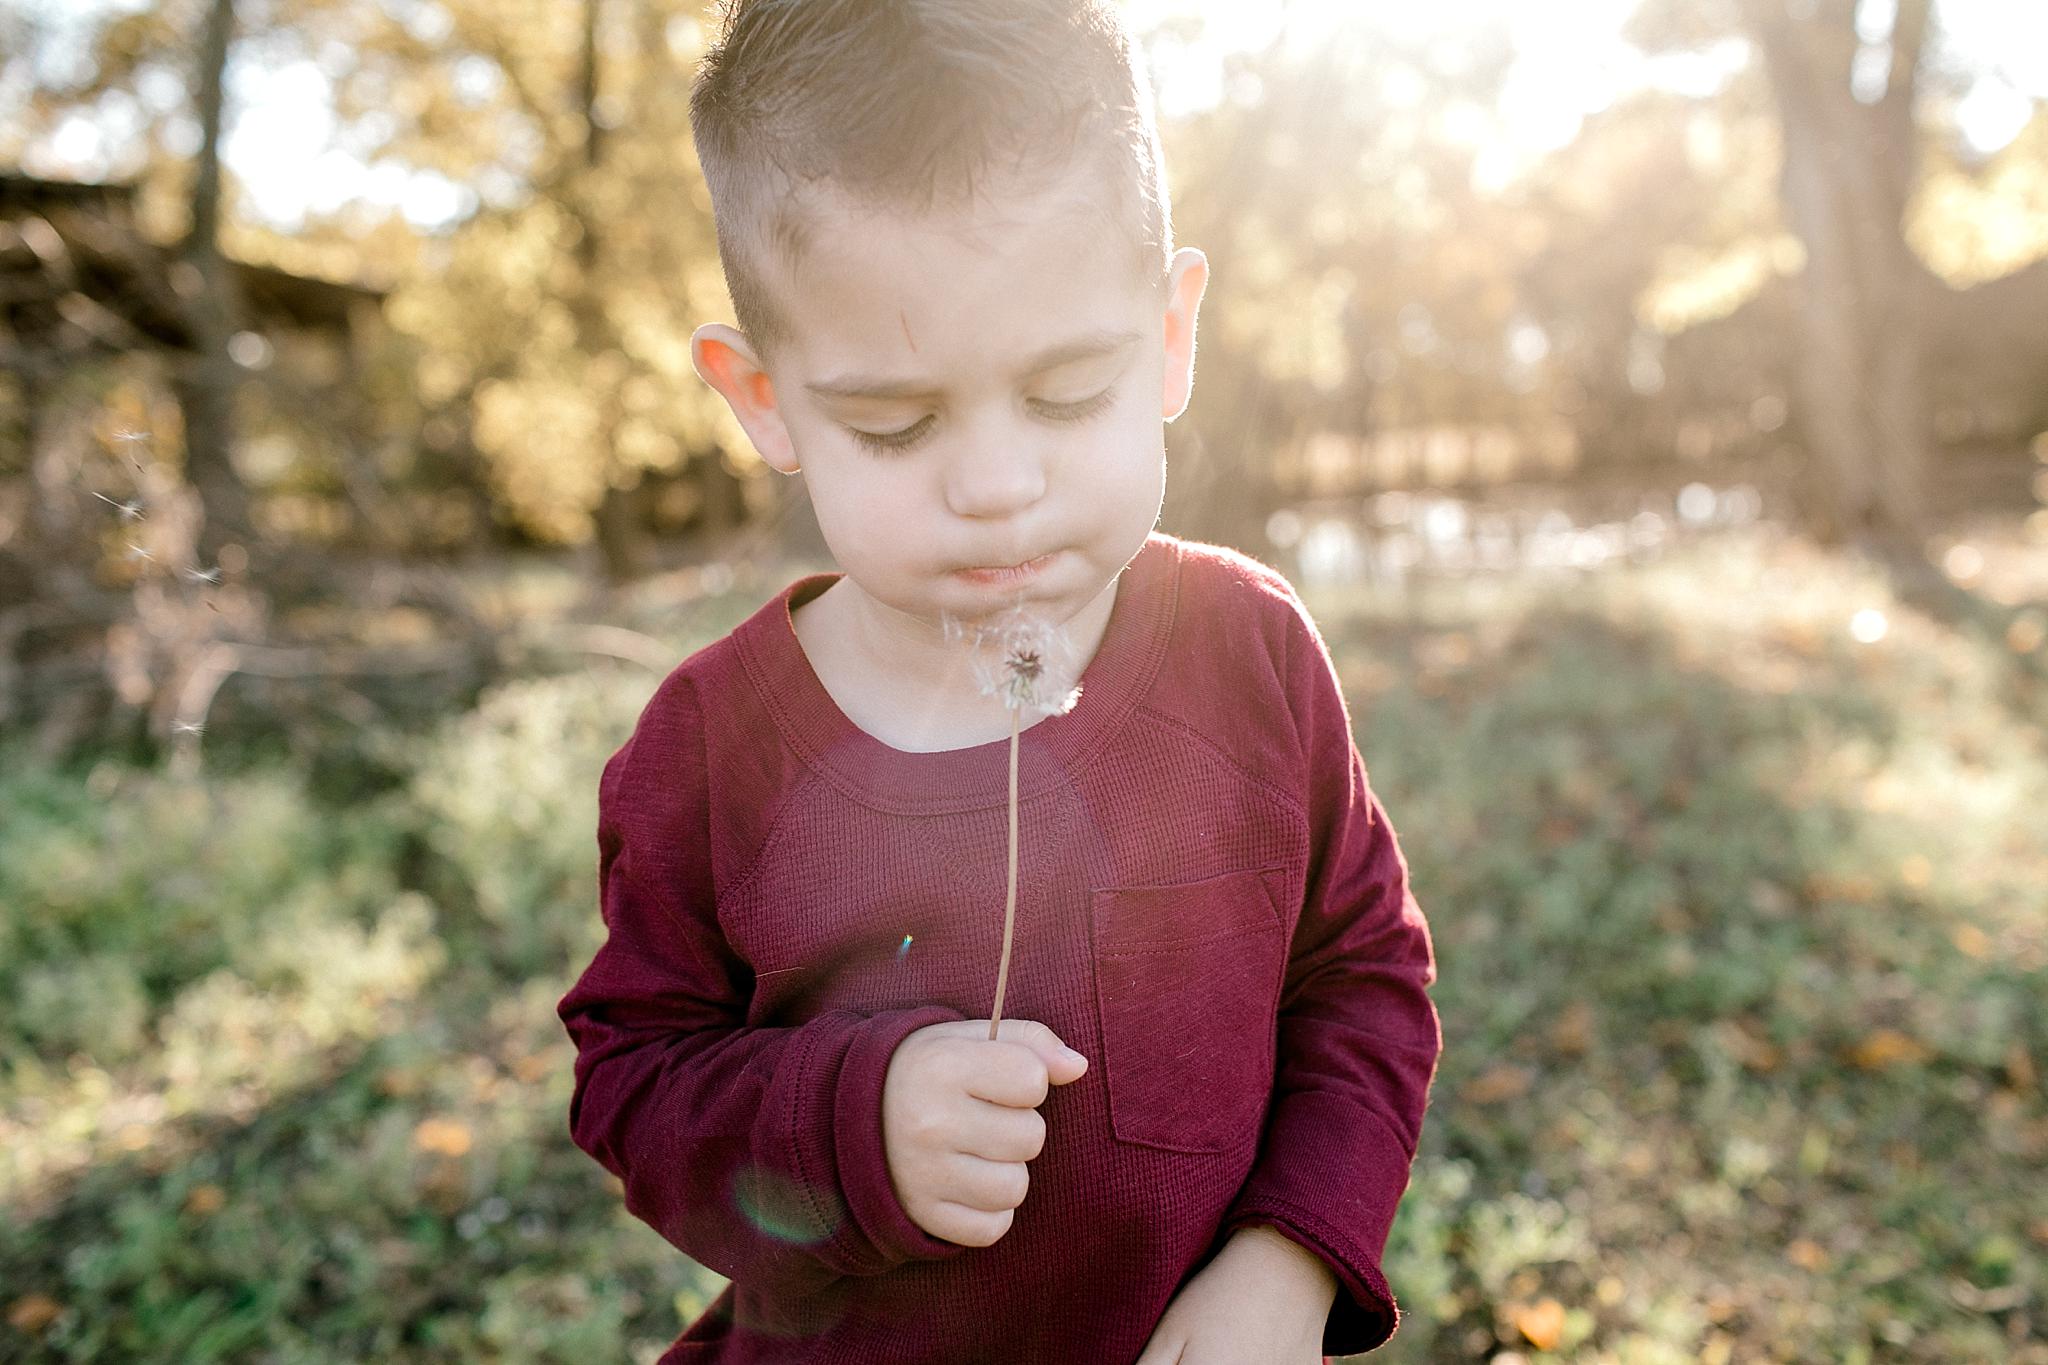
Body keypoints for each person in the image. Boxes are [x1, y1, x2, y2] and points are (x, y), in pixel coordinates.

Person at [554, 2, 1442, 1361]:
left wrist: (1286, 1260)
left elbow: (1361, 977)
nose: (997, 486)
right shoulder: (713, 746)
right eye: (895, 423)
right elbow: (632, 1079)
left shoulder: (1247, 654)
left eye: (1068, 392)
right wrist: (852, 1122)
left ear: (1168, 335)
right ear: (765, 400)